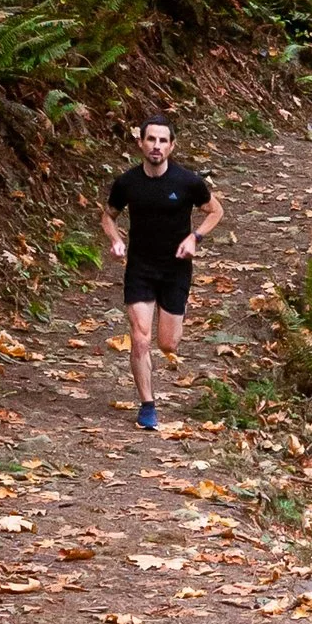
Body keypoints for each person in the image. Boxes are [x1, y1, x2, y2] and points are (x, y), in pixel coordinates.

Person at [100, 114, 222, 430]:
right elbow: (108, 216)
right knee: (140, 338)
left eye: (163, 140)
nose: (156, 146)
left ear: (171, 146)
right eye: (151, 139)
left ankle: (170, 329)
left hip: (175, 270)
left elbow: (215, 211)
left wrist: (195, 238)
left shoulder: (188, 182)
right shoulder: (127, 182)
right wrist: (115, 241)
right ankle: (147, 405)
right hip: (140, 267)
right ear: (141, 143)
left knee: (167, 344)